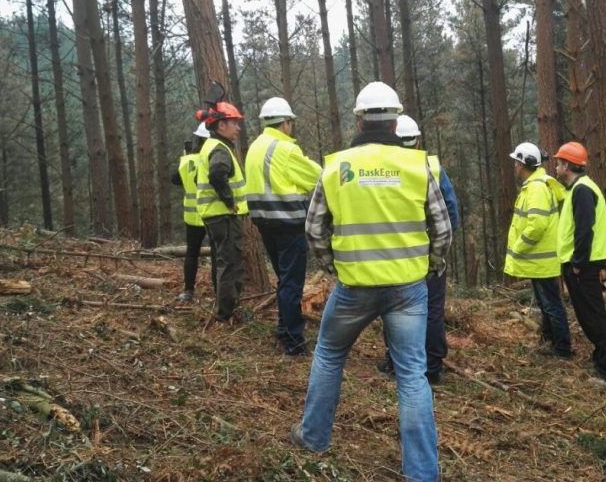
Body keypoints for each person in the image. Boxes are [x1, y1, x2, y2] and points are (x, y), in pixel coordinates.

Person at [291, 82, 452, 481]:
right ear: (396, 121)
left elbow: (312, 228)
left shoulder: (336, 166)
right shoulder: (418, 165)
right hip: (408, 290)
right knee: (412, 374)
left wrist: (333, 265)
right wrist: (432, 265)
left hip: (354, 288)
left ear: (359, 120)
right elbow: (443, 228)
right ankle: (422, 473)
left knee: (329, 354)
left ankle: (312, 436)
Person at [378, 114, 461, 383]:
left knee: (393, 309)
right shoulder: (432, 167)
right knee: (432, 309)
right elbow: (451, 213)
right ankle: (433, 367)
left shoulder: (382, 169)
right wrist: (438, 248)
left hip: (393, 255)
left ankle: (394, 361)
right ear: (417, 142)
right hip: (427, 254)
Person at [244, 97, 322, 356]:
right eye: (291, 122)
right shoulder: (286, 149)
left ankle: (284, 327)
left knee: (284, 278)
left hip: (263, 223)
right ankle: (292, 340)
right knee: (292, 282)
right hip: (288, 222)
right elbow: (316, 176)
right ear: (285, 123)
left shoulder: (255, 146)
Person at [553, 141, 606, 387]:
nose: (557, 168)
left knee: (593, 317)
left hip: (586, 265)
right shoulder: (577, 189)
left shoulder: (582, 190)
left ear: (568, 165)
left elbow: (585, 230)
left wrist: (578, 264)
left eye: (560, 163)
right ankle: (602, 360)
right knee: (589, 316)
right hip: (584, 263)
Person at [505, 142, 571, 358]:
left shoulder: (536, 188)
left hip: (540, 260)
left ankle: (562, 350)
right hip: (538, 261)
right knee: (546, 304)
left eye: (517, 162)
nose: (514, 166)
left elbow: (537, 225)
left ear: (524, 164)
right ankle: (549, 342)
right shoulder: (534, 185)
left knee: (551, 305)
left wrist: (519, 246)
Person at [194, 101, 248, 323]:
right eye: (234, 123)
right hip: (222, 215)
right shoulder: (219, 149)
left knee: (221, 260)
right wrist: (229, 201)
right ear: (221, 125)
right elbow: (217, 173)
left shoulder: (210, 146)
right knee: (229, 261)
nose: (238, 128)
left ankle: (224, 306)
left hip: (213, 215)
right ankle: (226, 312)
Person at [171, 123, 215, 302]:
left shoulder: (187, 161)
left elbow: (175, 180)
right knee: (216, 253)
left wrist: (185, 157)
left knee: (192, 253)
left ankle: (188, 290)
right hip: (211, 213)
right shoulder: (212, 158)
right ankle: (218, 292)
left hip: (191, 215)